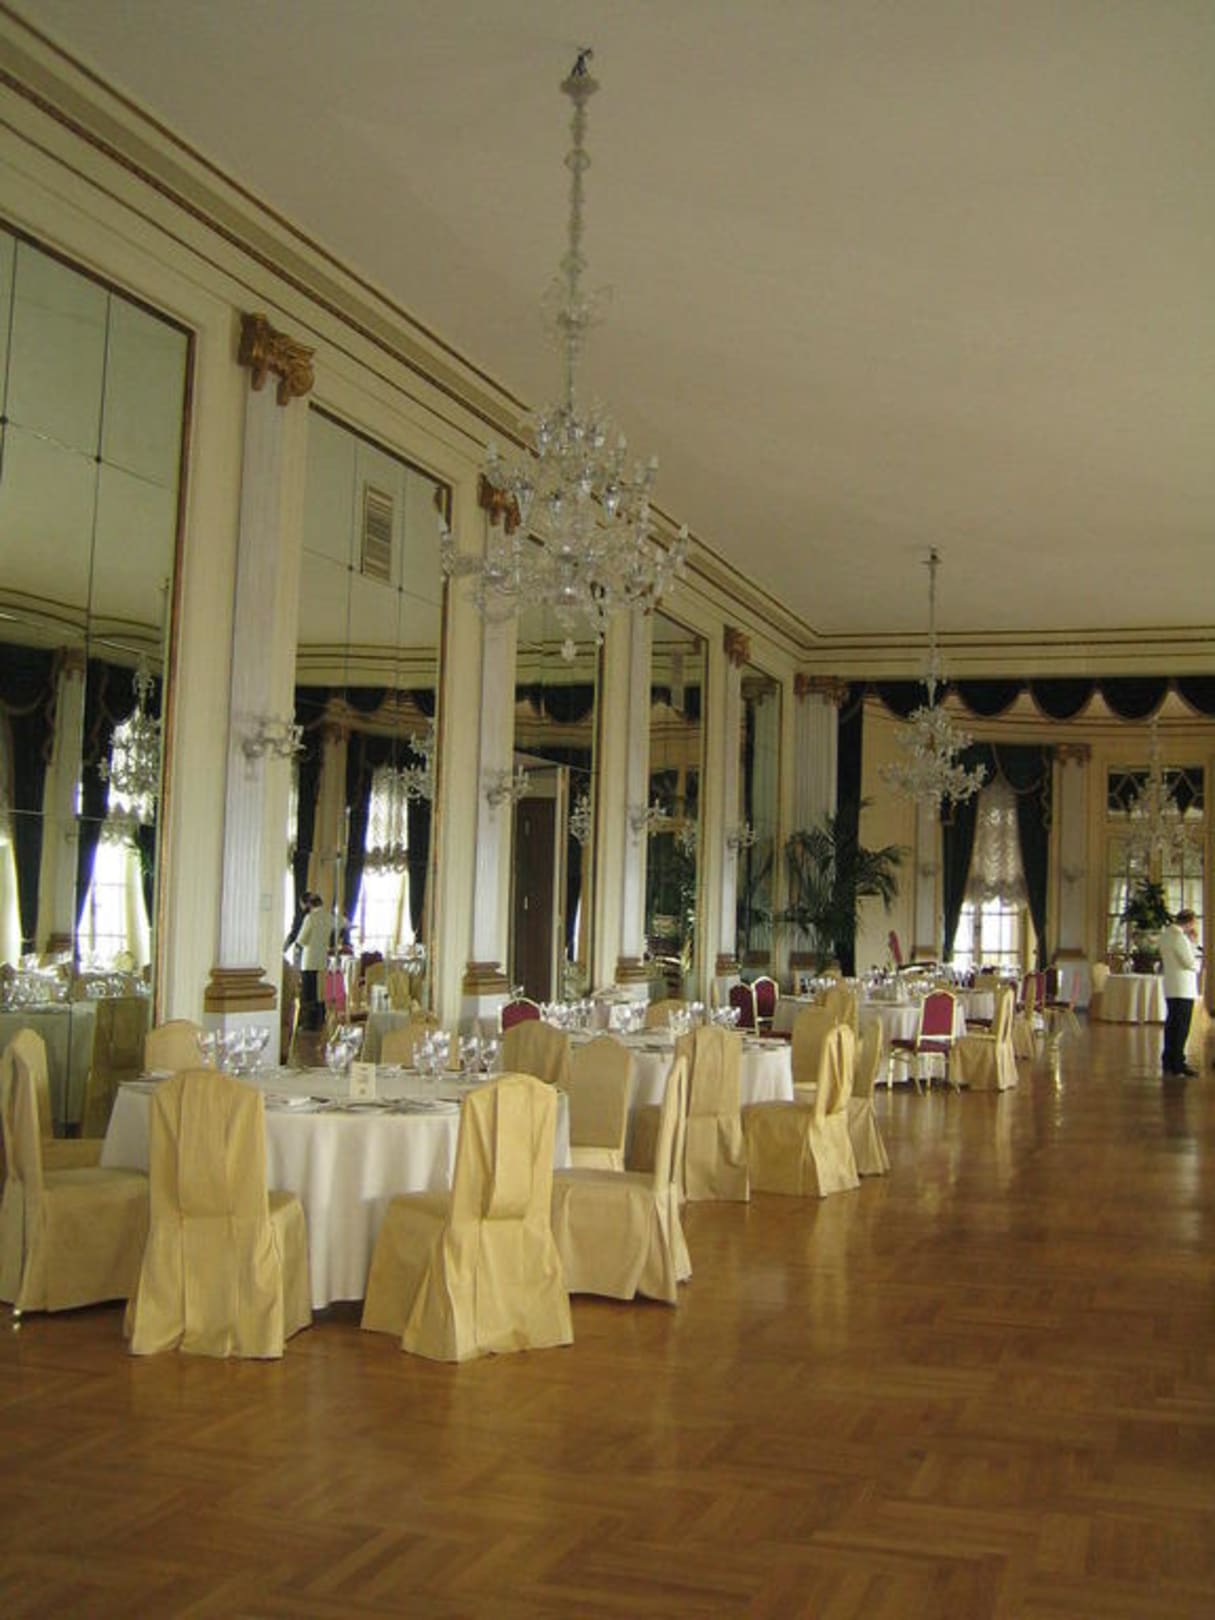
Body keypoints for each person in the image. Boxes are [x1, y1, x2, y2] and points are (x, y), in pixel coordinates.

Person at [1159, 908, 1200, 1079]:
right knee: (1181, 1027)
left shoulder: (1166, 935)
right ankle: (1178, 1063)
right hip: (1183, 988)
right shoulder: (1179, 938)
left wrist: (1191, 943)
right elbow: (1189, 962)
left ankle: (1168, 1060)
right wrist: (1194, 948)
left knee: (1172, 1025)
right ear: (1189, 922)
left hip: (1171, 986)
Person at [295, 893, 329, 1032]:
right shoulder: (328, 916)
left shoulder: (310, 918)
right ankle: (320, 1019)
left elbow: (301, 939)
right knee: (319, 991)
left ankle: (309, 1023)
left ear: (308, 904)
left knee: (308, 992)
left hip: (309, 960)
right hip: (322, 958)